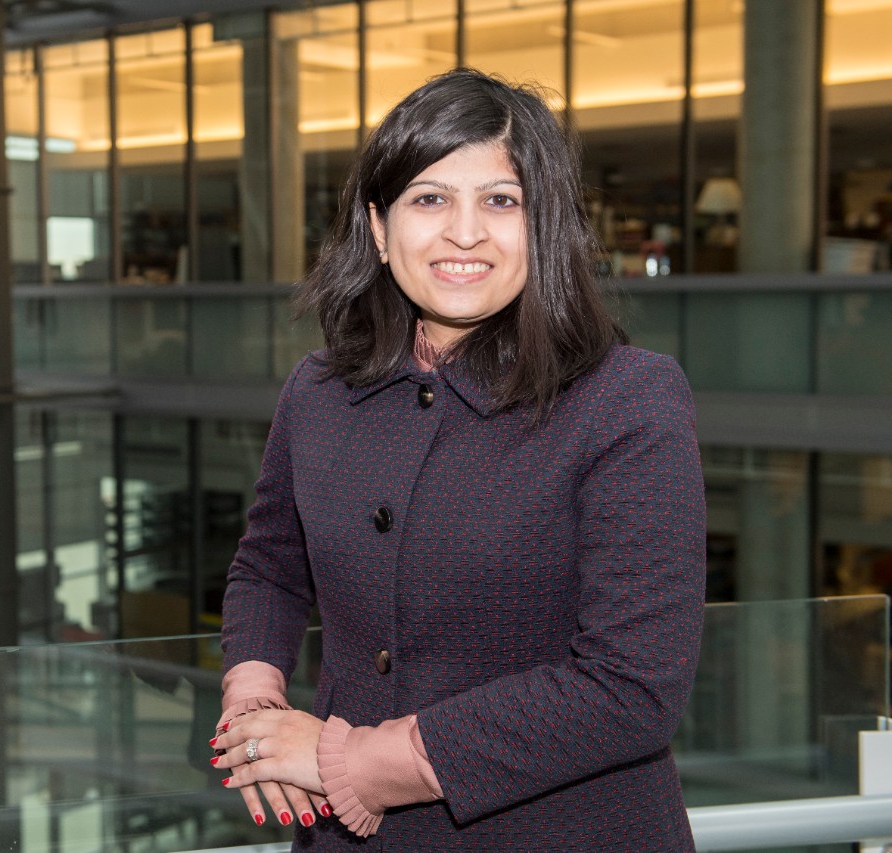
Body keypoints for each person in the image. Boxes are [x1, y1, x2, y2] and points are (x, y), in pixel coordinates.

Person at [208, 67, 706, 850]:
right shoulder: (319, 389)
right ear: (379, 228)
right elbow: (269, 567)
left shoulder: (626, 399)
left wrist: (351, 759)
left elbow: (631, 686)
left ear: (543, 225)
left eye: (501, 200)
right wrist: (254, 699)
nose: (465, 233)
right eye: (429, 199)